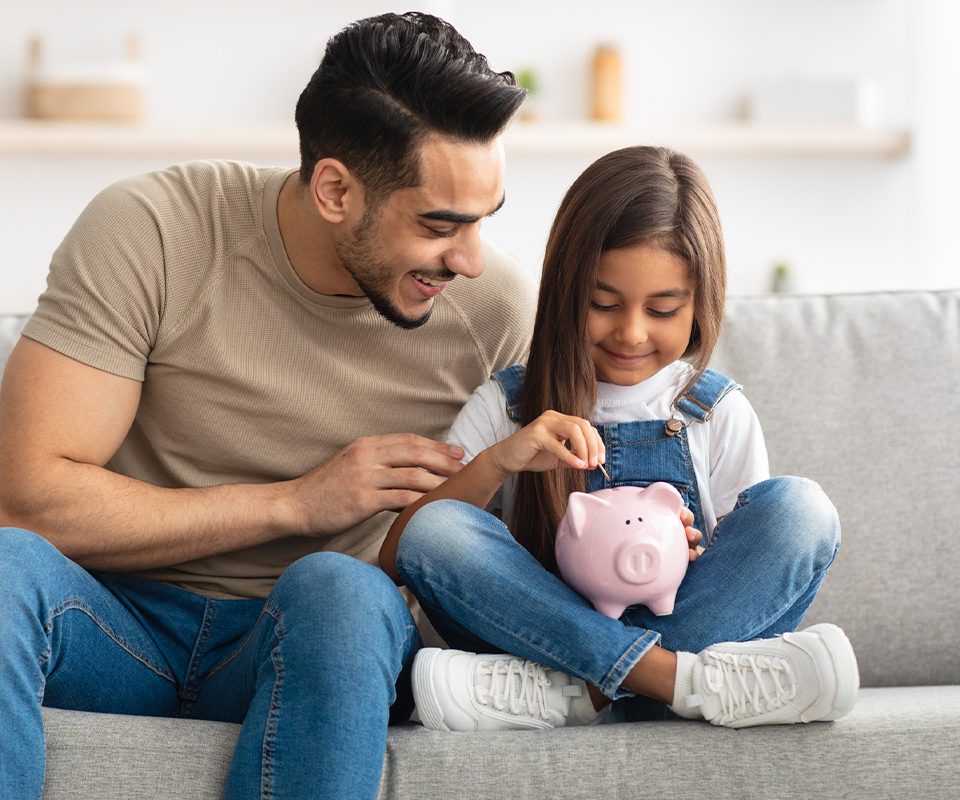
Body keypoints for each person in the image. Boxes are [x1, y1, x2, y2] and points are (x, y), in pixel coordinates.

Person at [0, 12, 534, 799]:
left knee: (347, 591)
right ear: (334, 189)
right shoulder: (154, 231)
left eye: (484, 220)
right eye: (438, 225)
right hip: (111, 622)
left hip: (308, 639)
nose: (469, 259)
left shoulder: (495, 312)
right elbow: (26, 503)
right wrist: (296, 502)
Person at [380, 145, 860, 732]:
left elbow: (742, 576)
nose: (631, 333)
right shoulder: (509, 405)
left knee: (800, 510)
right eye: (602, 304)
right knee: (439, 527)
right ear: (565, 292)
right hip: (539, 635)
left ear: (699, 306)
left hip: (583, 655)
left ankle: (578, 695)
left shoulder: (715, 412)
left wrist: (691, 551)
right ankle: (672, 684)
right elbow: (402, 553)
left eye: (662, 309)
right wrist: (501, 462)